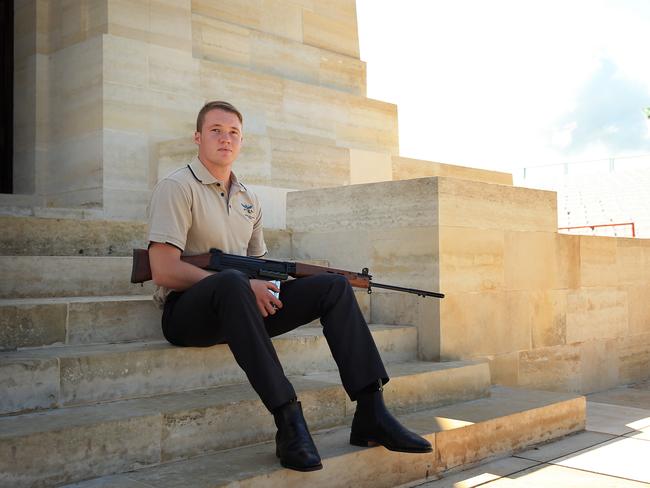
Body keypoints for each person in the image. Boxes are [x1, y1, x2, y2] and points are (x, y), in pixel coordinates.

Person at [147, 101, 431, 472]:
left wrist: (265, 285)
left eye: (233, 132)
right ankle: (288, 420)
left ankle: (371, 410)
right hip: (187, 315)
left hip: (240, 309)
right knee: (233, 282)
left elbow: (259, 268)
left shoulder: (248, 198)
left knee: (333, 287)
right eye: (215, 130)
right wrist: (244, 286)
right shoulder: (176, 187)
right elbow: (163, 269)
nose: (225, 139)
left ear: (242, 141)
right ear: (198, 137)